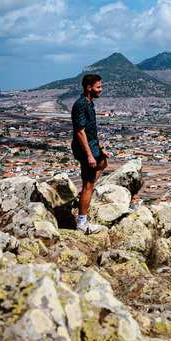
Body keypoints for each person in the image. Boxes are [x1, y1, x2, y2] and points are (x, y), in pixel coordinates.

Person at [71, 73, 108, 234]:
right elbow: (80, 132)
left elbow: (91, 130)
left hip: (93, 146)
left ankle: (85, 194)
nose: (101, 89)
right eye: (98, 87)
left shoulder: (89, 103)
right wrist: (89, 155)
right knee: (88, 184)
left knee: (103, 163)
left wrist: (99, 148)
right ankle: (82, 223)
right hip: (85, 149)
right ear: (89, 87)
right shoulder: (81, 105)